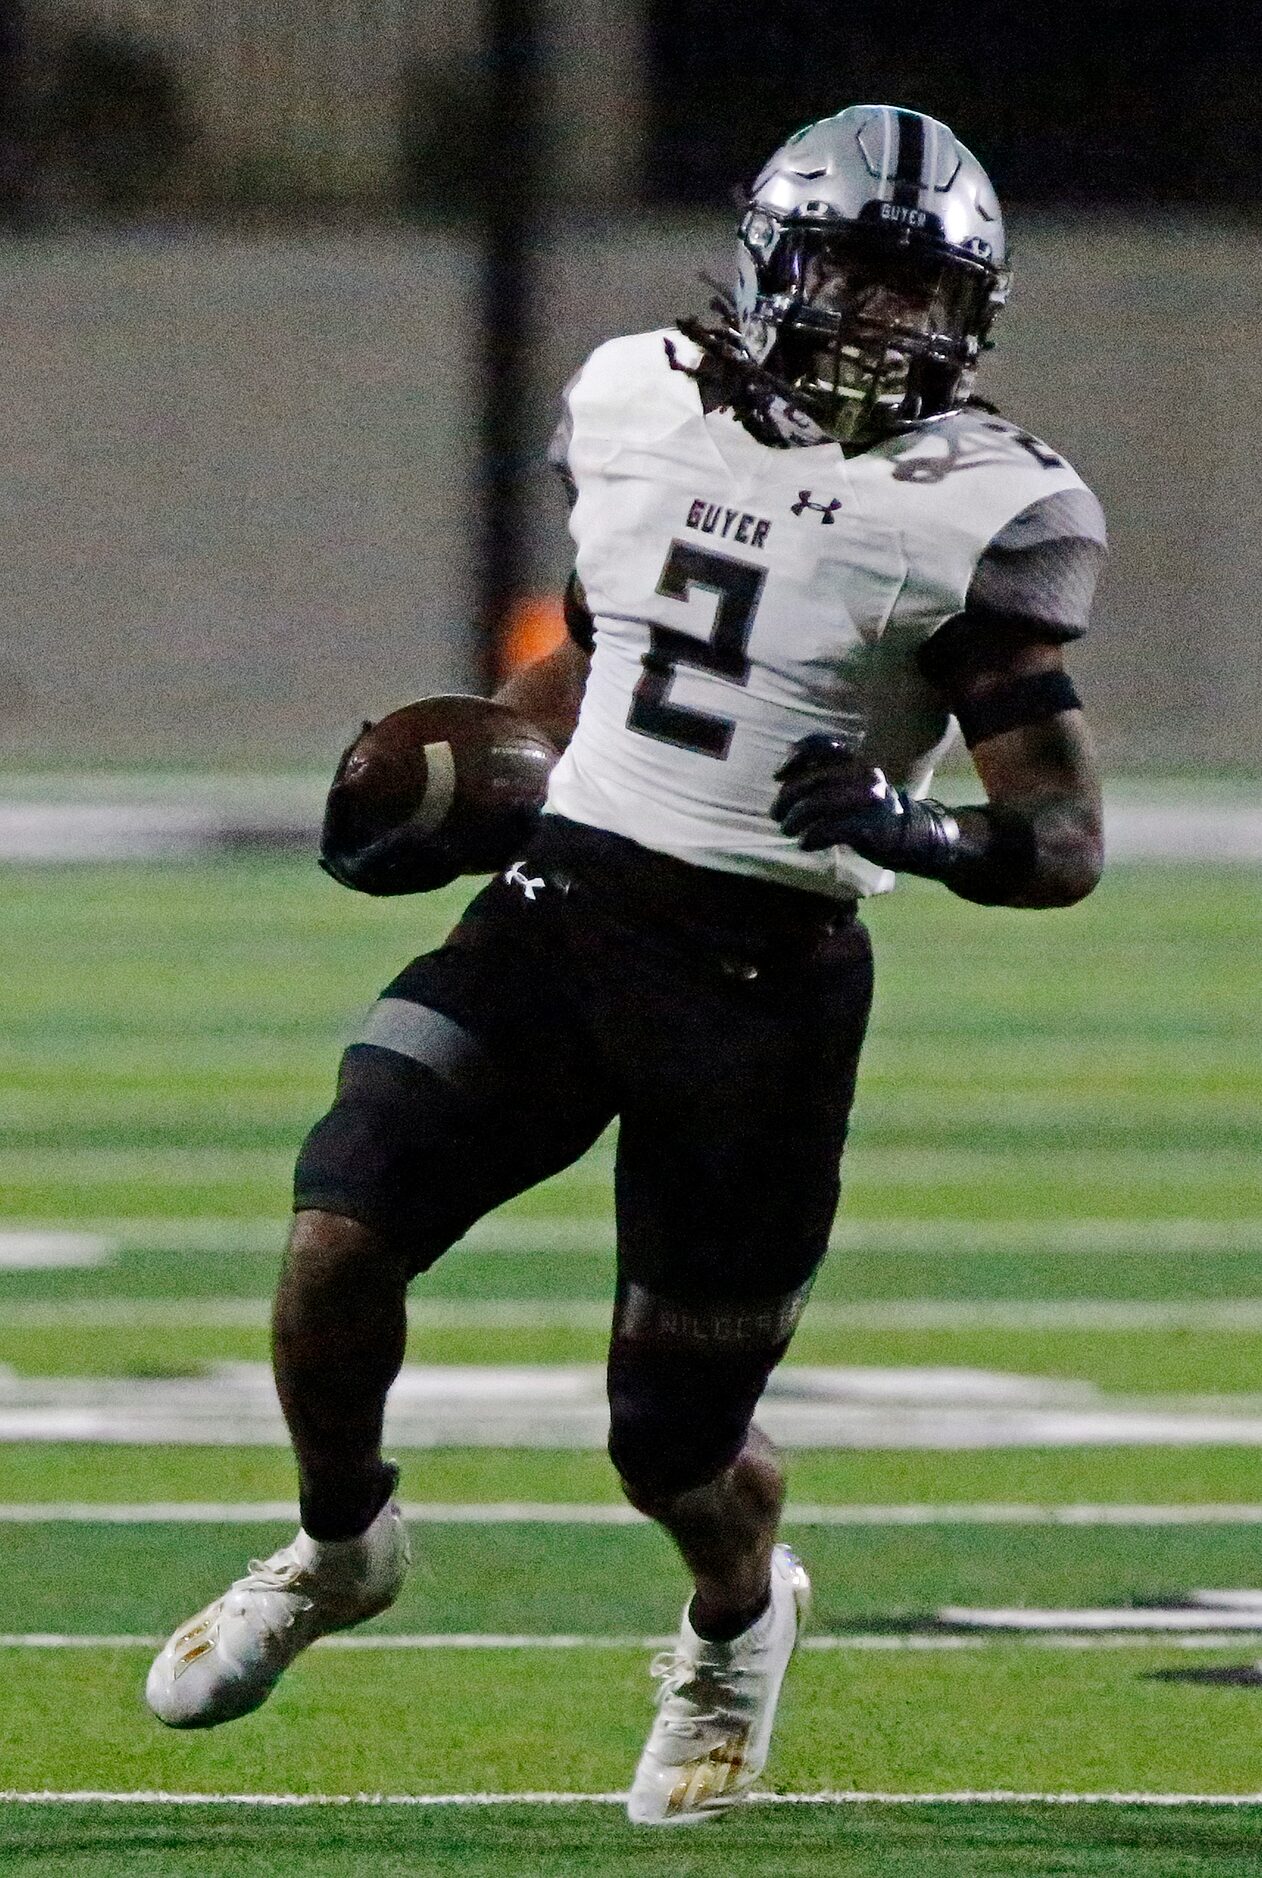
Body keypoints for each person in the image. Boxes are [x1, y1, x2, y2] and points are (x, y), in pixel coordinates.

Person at [146, 103, 1106, 1823]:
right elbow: (600, 661)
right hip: (565, 907)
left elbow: (1059, 845)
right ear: (768, 260)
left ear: (969, 312)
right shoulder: (633, 394)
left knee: (668, 1443)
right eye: (852, 274)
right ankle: (338, 1541)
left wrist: (916, 833)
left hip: (762, 981)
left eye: (917, 290)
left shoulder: (991, 510)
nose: (883, 320)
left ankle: (740, 1615)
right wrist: (468, 776)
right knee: (335, 1231)